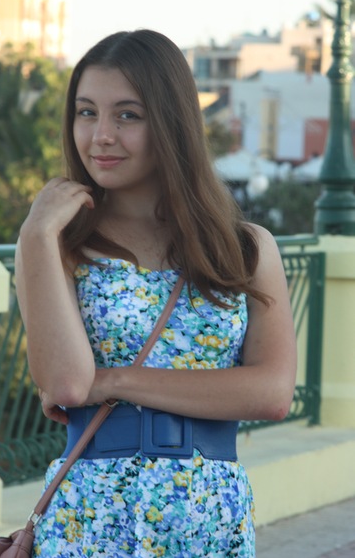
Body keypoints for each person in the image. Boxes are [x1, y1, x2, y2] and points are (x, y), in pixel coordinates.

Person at [15, 29, 297, 558]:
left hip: (208, 518)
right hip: (90, 520)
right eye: (86, 112)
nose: (101, 135)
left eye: (127, 115)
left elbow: (272, 392)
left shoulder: (244, 248)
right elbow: (69, 385)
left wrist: (115, 380)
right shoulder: (57, 247)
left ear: (170, 122)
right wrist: (35, 233)